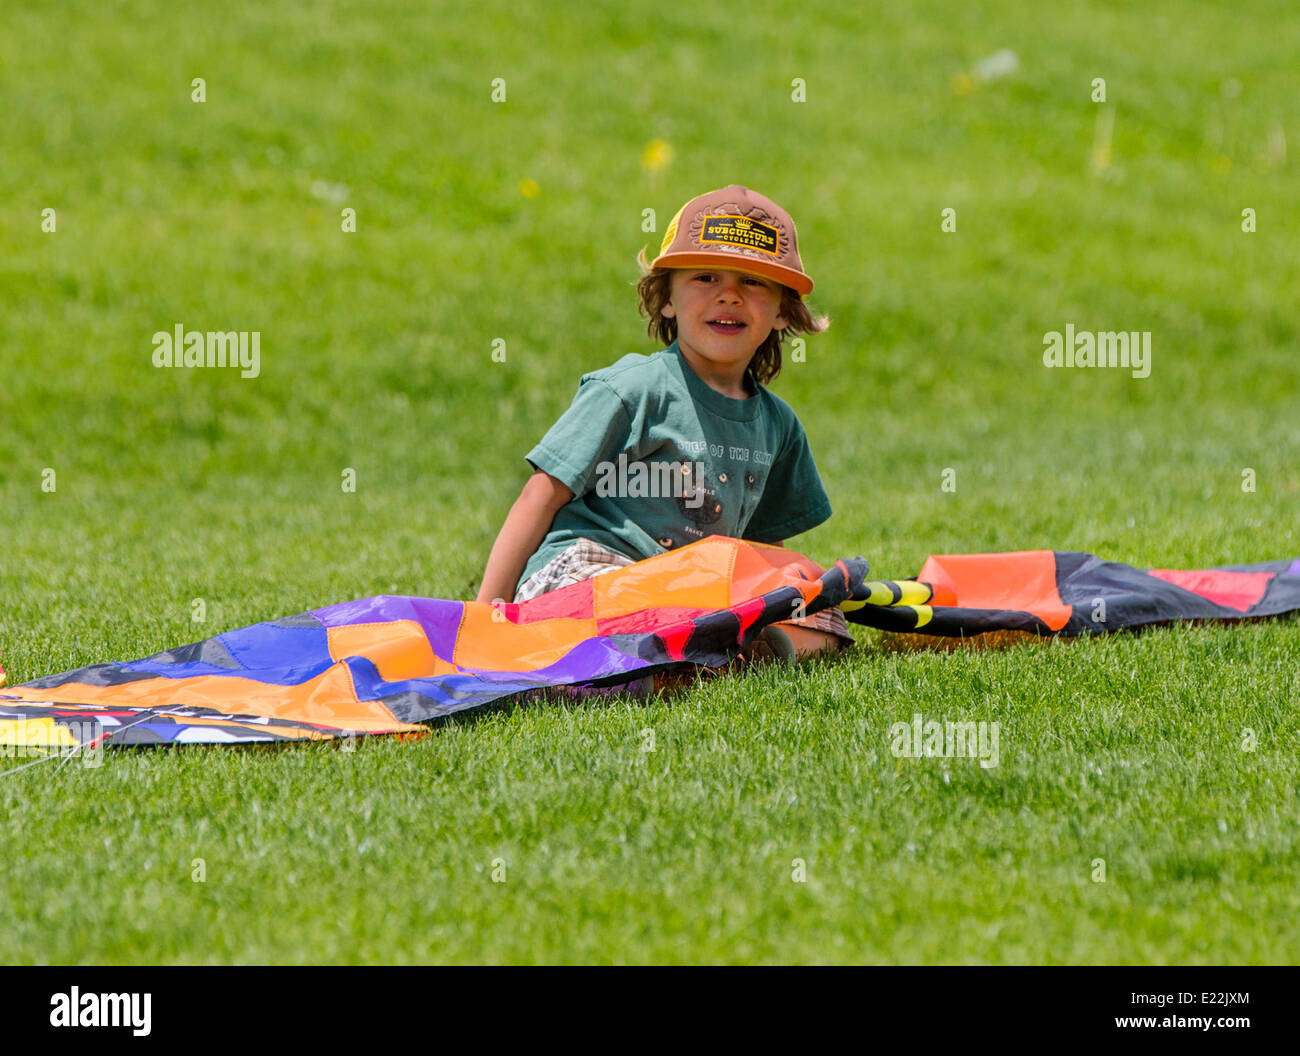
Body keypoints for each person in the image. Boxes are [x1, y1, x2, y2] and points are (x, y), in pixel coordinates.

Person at [475, 184, 854, 667]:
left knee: (822, 614)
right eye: (705, 277)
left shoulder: (777, 424)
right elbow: (540, 494)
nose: (730, 296)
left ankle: (716, 657)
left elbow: (761, 550)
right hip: (596, 570)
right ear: (666, 299)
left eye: (753, 282)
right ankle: (670, 658)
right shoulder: (632, 389)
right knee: (616, 613)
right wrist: (486, 615)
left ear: (782, 310)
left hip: (692, 594)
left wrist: (785, 593)